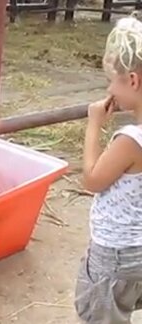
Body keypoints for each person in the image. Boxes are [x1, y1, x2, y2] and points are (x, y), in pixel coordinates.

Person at [74, 14, 142, 324]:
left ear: (133, 80)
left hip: (116, 254)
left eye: (112, 80)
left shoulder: (130, 141)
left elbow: (92, 180)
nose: (109, 89)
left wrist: (94, 124)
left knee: (102, 313)